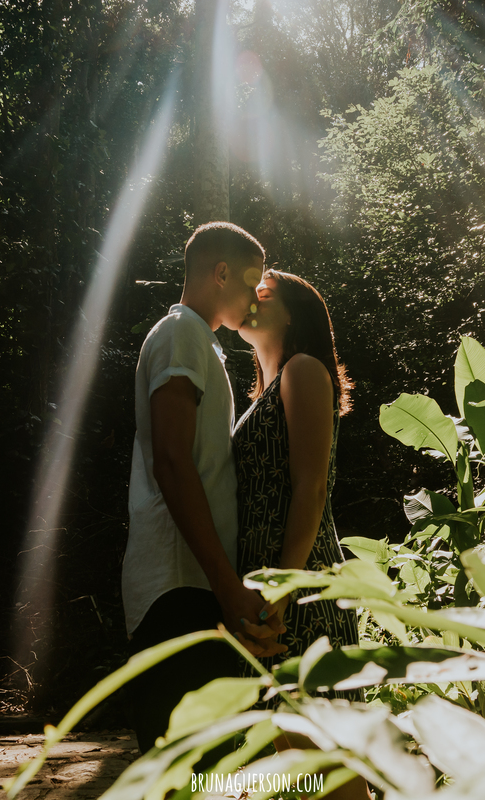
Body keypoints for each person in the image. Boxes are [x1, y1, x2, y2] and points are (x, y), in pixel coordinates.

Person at [121, 221, 284, 755]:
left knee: (204, 770)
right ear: (220, 273)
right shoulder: (182, 332)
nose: (255, 300)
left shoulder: (201, 344)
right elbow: (171, 461)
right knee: (185, 773)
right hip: (179, 587)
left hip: (193, 585)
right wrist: (227, 584)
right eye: (250, 284)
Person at [233, 269, 370, 800]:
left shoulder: (303, 369)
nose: (251, 299)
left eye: (263, 293)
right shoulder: (266, 390)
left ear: (292, 312)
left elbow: (311, 488)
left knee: (323, 759)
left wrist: (283, 586)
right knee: (295, 766)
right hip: (274, 591)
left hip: (301, 590)